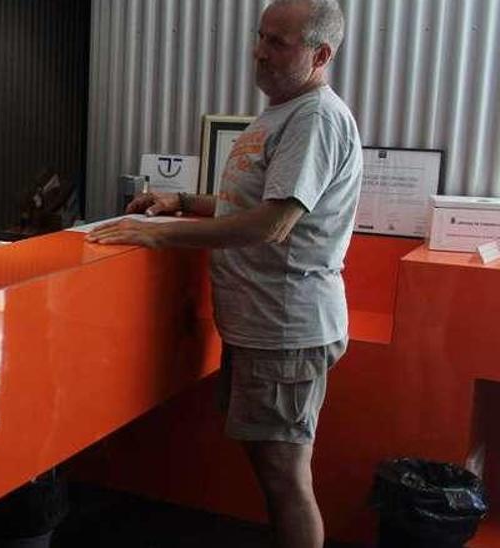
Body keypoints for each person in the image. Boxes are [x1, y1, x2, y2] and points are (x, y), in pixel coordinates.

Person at [88, 1, 359, 546]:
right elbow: (249, 204)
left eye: (278, 43)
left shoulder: (314, 117)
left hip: (286, 329)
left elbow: (273, 223)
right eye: (260, 36)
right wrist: (181, 199)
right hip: (260, 326)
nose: (259, 51)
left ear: (321, 53)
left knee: (285, 478)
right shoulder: (281, 111)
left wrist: (159, 235)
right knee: (270, 470)